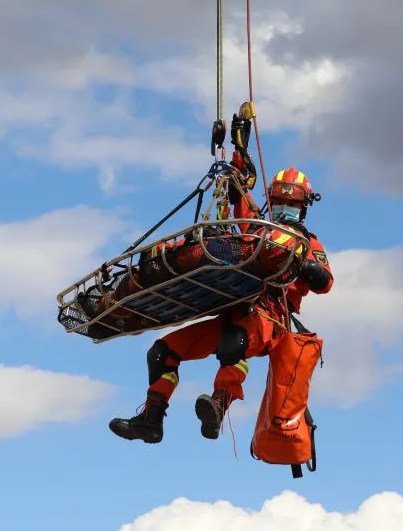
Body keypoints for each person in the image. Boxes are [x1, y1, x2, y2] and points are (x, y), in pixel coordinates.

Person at [109, 115, 334, 443]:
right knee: (162, 351)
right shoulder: (259, 229)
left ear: (303, 206)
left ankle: (220, 403)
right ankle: (151, 420)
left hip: (268, 321)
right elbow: (238, 190)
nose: (285, 207)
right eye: (280, 202)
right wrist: (239, 147)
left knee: (234, 342)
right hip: (232, 312)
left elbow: (325, 281)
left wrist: (302, 266)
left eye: (292, 203)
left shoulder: (307, 244)